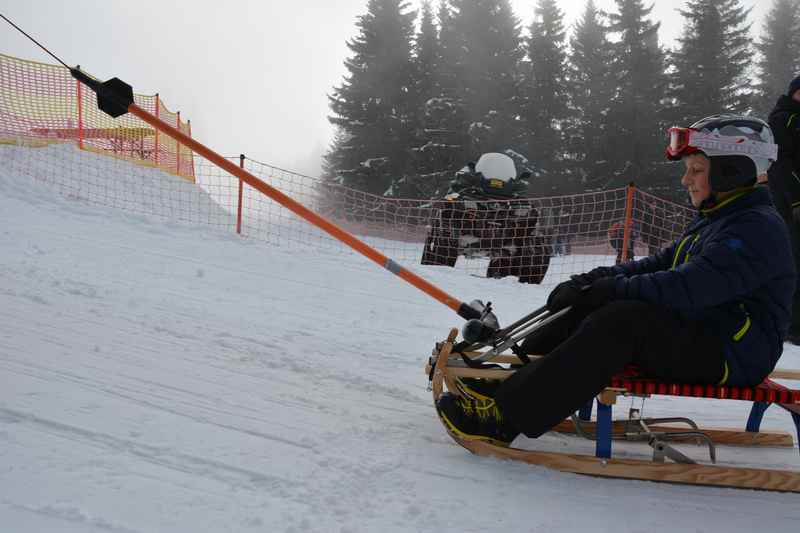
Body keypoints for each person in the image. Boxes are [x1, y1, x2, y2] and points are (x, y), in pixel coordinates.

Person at [436, 114, 795, 446]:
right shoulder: (719, 218)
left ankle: (504, 419)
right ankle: (497, 386)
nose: (686, 180)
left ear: (731, 171)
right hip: (706, 334)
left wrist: (610, 290)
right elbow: (655, 265)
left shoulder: (755, 229)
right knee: (590, 303)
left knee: (622, 322)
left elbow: (689, 288)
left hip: (734, 355)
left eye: (697, 170)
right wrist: (592, 282)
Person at [767, 75, 800, 343]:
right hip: (790, 204)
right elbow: (781, 167)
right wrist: (795, 200)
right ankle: (793, 325)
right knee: (794, 260)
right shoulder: (784, 119)